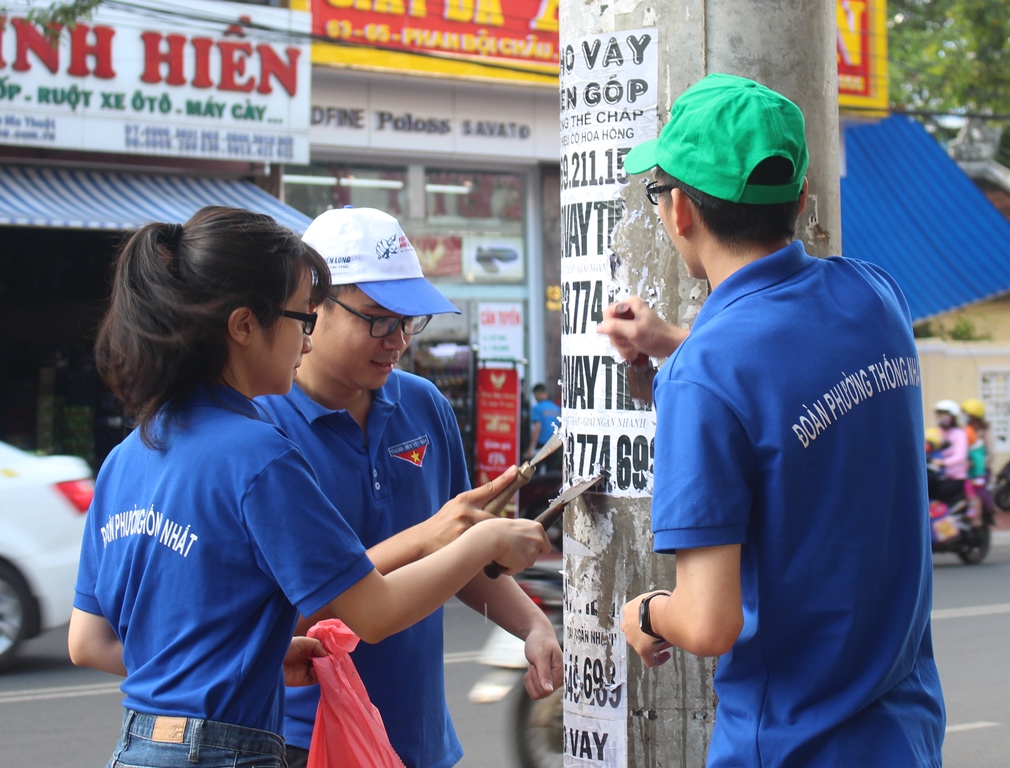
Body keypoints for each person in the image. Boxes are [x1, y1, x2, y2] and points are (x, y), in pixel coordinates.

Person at [68, 206, 550, 768]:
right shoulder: (259, 449)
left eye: (407, 321)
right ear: (249, 325)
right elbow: (371, 611)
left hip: (144, 744)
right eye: (300, 317)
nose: (303, 340)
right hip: (269, 743)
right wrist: (474, 541)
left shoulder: (132, 453)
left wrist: (255, 658)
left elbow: (97, 640)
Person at [596, 74, 944, 766]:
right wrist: (672, 345)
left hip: (790, 745)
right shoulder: (876, 295)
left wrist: (642, 613)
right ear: (802, 199)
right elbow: (786, 363)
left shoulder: (708, 377)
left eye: (660, 192)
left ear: (679, 214)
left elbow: (707, 620)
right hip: (902, 734)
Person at [256, 207, 563, 768]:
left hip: (418, 738)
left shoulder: (424, 405)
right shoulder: (262, 427)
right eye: (377, 319)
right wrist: (432, 538)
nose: (396, 340)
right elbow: (273, 614)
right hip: (302, 739)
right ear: (313, 309)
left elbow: (460, 554)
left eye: (408, 321)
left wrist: (533, 625)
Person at [961, 397, 992, 523]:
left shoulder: (985, 433)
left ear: (974, 416)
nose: (965, 417)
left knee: (978, 492)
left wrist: (979, 465)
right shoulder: (966, 430)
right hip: (967, 470)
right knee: (968, 490)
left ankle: (980, 518)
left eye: (967, 415)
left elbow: (990, 454)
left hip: (980, 471)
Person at [932, 399, 969, 503]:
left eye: (944, 414)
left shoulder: (959, 433)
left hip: (956, 478)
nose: (941, 418)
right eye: (939, 415)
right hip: (939, 475)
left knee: (941, 492)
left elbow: (960, 456)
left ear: (952, 417)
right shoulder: (937, 432)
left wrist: (942, 462)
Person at [524, 382, 562, 471]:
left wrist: (531, 448)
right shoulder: (556, 408)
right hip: (555, 444)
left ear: (537, 393)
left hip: (542, 445)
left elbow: (537, 427)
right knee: (552, 472)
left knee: (534, 470)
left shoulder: (537, 408)